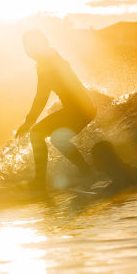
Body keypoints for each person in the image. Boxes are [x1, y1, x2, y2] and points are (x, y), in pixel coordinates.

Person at [15, 29, 96, 192]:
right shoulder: (49, 59)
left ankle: (39, 183)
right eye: (26, 46)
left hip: (80, 109)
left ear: (42, 43)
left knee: (36, 133)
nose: (28, 49)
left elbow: (41, 96)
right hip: (84, 108)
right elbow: (42, 94)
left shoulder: (49, 62)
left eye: (31, 45)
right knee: (58, 139)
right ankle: (87, 171)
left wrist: (29, 122)